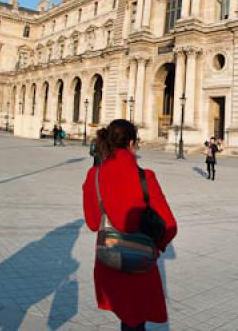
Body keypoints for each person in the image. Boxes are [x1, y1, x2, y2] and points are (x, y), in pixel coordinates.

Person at [82, 119, 177, 330]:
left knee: (126, 318)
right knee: (135, 321)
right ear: (132, 143)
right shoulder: (145, 177)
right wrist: (156, 246)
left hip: (109, 261)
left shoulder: (94, 176)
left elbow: (91, 223)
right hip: (140, 265)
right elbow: (170, 226)